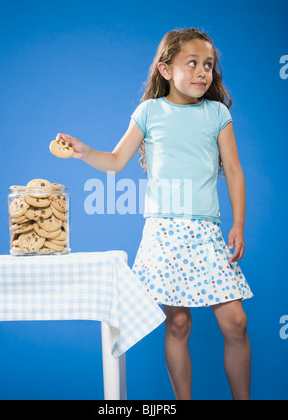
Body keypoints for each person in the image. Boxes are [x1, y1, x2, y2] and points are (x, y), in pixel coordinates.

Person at [55, 28, 254, 400]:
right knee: (177, 323)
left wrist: (238, 224)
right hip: (163, 233)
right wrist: (84, 151)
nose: (202, 72)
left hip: (206, 233)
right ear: (165, 69)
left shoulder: (217, 114)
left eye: (208, 65)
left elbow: (235, 171)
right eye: (191, 63)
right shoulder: (149, 111)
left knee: (236, 322)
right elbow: (115, 161)